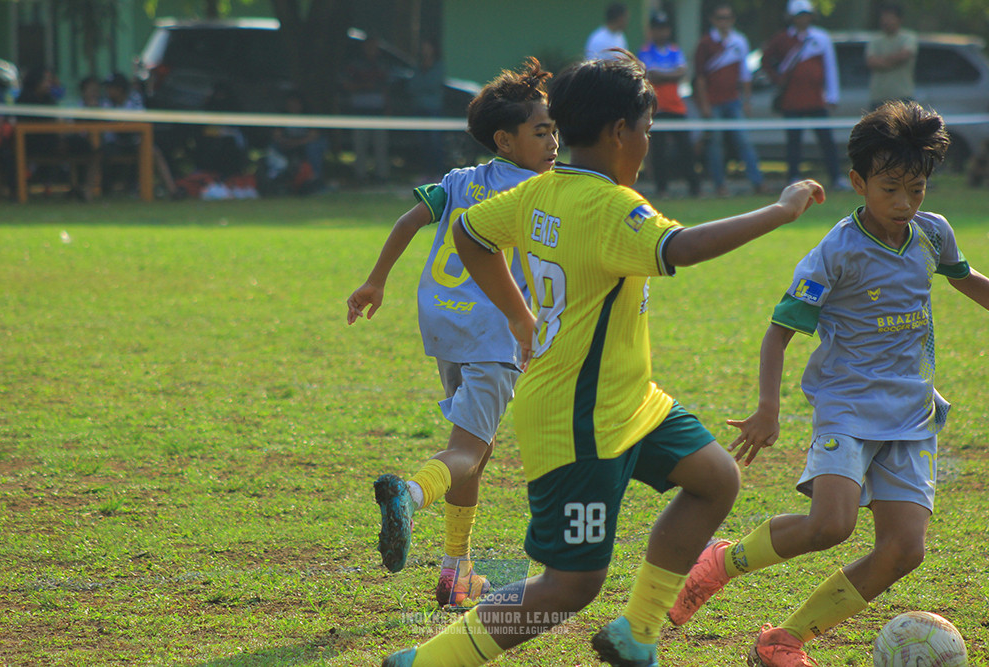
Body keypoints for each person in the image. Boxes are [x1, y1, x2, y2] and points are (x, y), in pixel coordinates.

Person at [382, 53, 824, 667]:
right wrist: (781, 211)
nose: (648, 140)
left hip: (631, 400)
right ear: (620, 131)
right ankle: (423, 662)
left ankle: (637, 633)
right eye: (647, 126)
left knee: (715, 479)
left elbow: (470, 235)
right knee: (570, 585)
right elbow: (684, 247)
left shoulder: (541, 189)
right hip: (578, 419)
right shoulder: (613, 209)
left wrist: (517, 313)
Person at [667, 101, 989, 666]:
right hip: (847, 406)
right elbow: (778, 335)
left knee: (903, 550)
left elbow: (969, 283)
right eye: (891, 189)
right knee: (830, 525)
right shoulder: (833, 254)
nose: (905, 204)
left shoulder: (932, 235)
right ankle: (722, 560)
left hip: (912, 412)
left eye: (917, 190)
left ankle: (783, 640)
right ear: (858, 182)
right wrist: (768, 409)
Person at [346, 59, 558, 609]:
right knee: (469, 447)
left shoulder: (461, 180)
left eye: (554, 129)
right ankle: (409, 495)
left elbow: (410, 219)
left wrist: (375, 281)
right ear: (505, 140)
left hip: (442, 324)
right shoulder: (540, 191)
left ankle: (455, 573)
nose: (554, 141)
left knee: (473, 450)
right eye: (542, 131)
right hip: (495, 330)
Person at [762, 0, 847, 189]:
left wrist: (832, 96)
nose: (803, 19)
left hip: (816, 99)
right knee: (794, 141)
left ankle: (836, 177)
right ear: (792, 17)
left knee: (826, 140)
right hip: (791, 101)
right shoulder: (782, 39)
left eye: (806, 14)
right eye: (799, 15)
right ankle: (793, 177)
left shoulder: (821, 37)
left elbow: (830, 67)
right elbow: (765, 60)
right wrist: (777, 79)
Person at [694, 2, 767, 197]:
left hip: (733, 100)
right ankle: (720, 185)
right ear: (713, 20)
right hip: (714, 101)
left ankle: (758, 183)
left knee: (743, 141)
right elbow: (700, 77)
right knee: (715, 145)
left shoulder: (739, 41)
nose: (724, 22)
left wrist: (746, 100)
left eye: (727, 18)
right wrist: (704, 104)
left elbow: (744, 74)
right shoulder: (706, 43)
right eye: (720, 18)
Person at [638, 10, 700, 198]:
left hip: (676, 107)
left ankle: (694, 187)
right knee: (659, 152)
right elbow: (649, 74)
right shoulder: (645, 51)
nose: (662, 33)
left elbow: (682, 72)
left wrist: (662, 74)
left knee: (685, 149)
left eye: (664, 28)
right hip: (656, 109)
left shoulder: (674, 50)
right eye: (658, 29)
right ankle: (662, 188)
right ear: (652, 31)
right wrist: (670, 73)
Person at [101, 72, 181, 198]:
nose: (107, 91)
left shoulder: (134, 98)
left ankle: (173, 191)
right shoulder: (105, 102)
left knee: (153, 151)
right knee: (96, 154)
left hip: (133, 142)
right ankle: (91, 191)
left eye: (110, 88)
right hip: (113, 143)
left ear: (119, 89)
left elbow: (140, 121)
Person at [341, 34, 391, 182]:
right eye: (370, 45)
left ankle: (382, 177)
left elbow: (386, 88)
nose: (372, 49)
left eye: (375, 46)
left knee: (381, 147)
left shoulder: (382, 64)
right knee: (360, 146)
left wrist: (388, 107)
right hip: (360, 112)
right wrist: (364, 86)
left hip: (378, 112)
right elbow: (346, 85)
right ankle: (360, 176)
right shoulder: (355, 64)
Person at [263, 90, 328, 195]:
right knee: (273, 147)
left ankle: (315, 178)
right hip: (287, 145)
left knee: (315, 146)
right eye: (290, 104)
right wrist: (287, 142)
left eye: (295, 103)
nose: (293, 106)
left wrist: (295, 143)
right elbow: (276, 136)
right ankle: (274, 179)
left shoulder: (308, 115)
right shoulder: (282, 115)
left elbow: (314, 136)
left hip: (304, 145)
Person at [866, 3, 917, 108]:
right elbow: (871, 61)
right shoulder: (875, 40)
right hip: (879, 98)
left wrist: (882, 61)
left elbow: (905, 55)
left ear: (899, 19)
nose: (886, 21)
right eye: (884, 18)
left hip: (903, 97)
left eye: (890, 18)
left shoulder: (908, 37)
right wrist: (893, 61)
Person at [407, 39, 446, 180]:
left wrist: (423, 84)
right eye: (423, 48)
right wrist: (423, 84)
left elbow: (433, 85)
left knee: (435, 142)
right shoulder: (417, 67)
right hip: (419, 108)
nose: (425, 51)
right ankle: (426, 173)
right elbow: (412, 86)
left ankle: (438, 173)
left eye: (427, 48)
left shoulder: (438, 66)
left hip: (434, 109)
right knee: (422, 142)